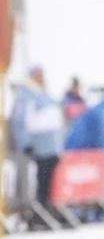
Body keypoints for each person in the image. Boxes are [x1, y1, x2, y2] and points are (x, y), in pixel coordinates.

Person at [8, 65, 65, 217]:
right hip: (38, 148)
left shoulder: (44, 94)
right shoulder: (26, 95)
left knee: (48, 182)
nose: (42, 77)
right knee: (36, 181)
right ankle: (32, 211)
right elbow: (20, 122)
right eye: (39, 74)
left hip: (51, 147)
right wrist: (25, 142)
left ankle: (45, 210)